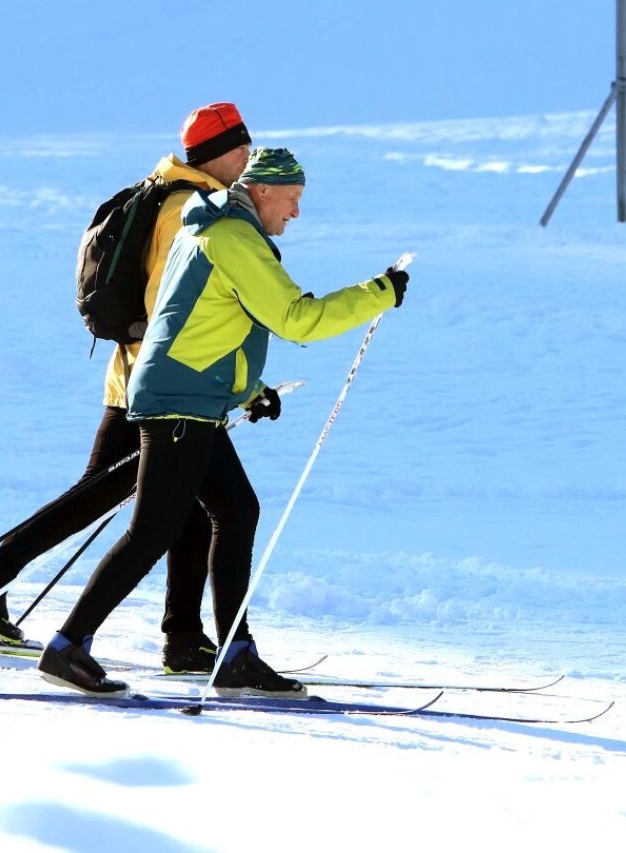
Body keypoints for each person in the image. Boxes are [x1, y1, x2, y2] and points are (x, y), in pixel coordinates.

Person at [36, 147, 410, 697]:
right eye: (294, 199)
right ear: (262, 190)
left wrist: (247, 389)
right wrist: (377, 294)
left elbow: (201, 323)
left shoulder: (217, 230)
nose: (297, 213)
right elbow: (295, 319)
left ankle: (234, 654)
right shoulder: (232, 238)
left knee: (237, 510)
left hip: (192, 397)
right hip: (179, 403)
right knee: (153, 532)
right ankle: (68, 647)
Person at [0, 103, 254, 673]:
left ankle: (182, 636)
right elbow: (171, 307)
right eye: (241, 148)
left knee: (157, 499)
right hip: (161, 383)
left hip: (143, 375)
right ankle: (172, 636)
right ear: (217, 152)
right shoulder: (186, 207)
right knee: (120, 498)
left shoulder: (168, 192)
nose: (246, 159)